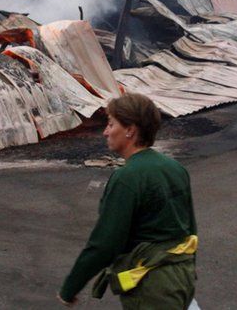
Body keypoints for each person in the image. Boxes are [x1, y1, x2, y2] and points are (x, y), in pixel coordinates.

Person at [58, 93, 198, 308]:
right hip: (182, 277)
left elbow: (104, 244)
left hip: (152, 285)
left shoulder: (127, 178)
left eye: (111, 124)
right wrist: (188, 271)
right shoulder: (176, 169)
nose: (105, 132)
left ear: (130, 130)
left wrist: (70, 288)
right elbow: (189, 230)